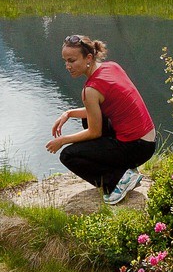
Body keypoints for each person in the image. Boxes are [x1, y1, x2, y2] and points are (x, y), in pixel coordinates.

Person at [47, 34, 157, 205]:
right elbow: (100, 109)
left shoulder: (90, 90)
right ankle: (124, 169)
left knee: (68, 156)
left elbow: (95, 132)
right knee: (88, 120)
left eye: (72, 60)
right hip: (147, 141)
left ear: (88, 57)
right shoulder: (111, 67)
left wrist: (62, 140)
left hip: (136, 147)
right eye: (65, 61)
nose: (67, 66)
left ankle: (118, 181)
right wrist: (68, 113)